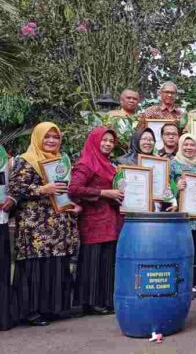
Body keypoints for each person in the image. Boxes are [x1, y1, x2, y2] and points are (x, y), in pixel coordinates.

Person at [6, 122, 81, 326]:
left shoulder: (61, 160)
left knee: (55, 266)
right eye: (47, 137)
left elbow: (65, 189)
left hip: (58, 223)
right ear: (38, 137)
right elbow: (15, 189)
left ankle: (51, 308)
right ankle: (31, 311)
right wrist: (41, 190)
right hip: (35, 225)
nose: (51, 141)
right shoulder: (26, 160)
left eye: (55, 137)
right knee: (36, 266)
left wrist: (71, 203)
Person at [68, 127, 124, 315]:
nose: (108, 144)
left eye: (111, 141)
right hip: (93, 221)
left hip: (110, 219)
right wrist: (103, 193)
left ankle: (104, 300)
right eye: (104, 140)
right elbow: (74, 189)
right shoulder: (85, 163)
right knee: (92, 260)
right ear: (94, 140)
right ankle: (90, 302)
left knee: (106, 260)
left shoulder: (109, 164)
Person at [170, 134, 196, 299]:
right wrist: (176, 186)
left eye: (192, 145)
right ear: (180, 145)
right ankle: (180, 284)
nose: (188, 147)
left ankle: (192, 285)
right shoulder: (173, 163)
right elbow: (164, 186)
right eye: (185, 144)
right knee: (181, 250)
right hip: (182, 215)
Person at [0, 145, 14, 330]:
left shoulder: (2, 154)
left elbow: (10, 184)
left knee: (2, 270)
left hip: (1, 219)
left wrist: (13, 198)